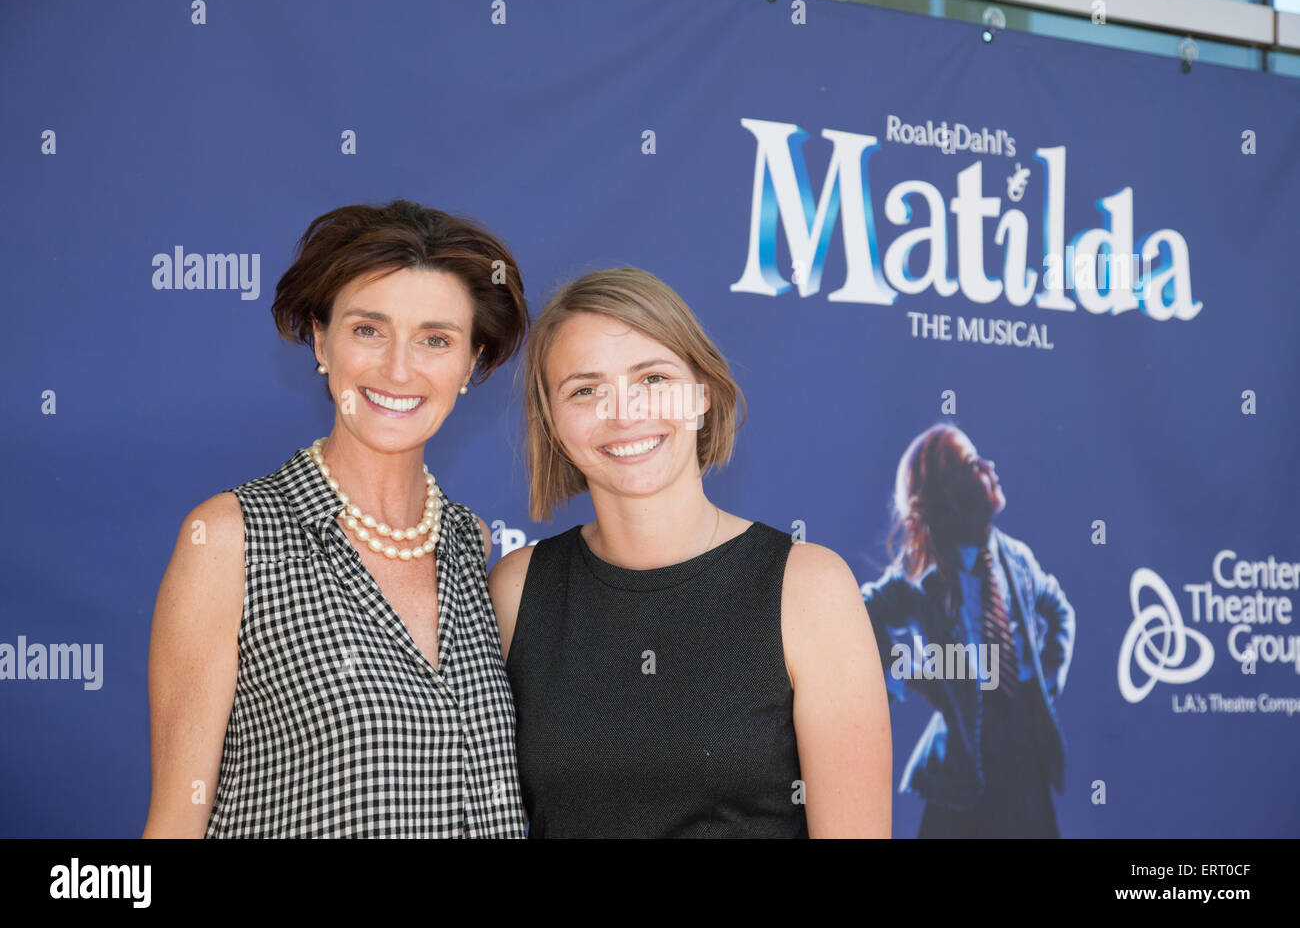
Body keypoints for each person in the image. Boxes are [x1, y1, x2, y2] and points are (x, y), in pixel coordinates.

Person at [143, 200, 530, 838]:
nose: (399, 369)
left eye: (436, 339)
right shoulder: (233, 539)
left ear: (470, 364)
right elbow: (175, 827)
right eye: (368, 330)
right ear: (322, 341)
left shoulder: (470, 545)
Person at [488, 267, 891, 838]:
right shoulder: (517, 589)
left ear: (700, 396)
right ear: (552, 422)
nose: (624, 413)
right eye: (585, 389)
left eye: (652, 378)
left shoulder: (809, 587)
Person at [862, 423, 1075, 837]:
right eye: (974, 464)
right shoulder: (921, 575)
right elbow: (865, 611)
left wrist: (1046, 679)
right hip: (967, 749)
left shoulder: (1017, 559)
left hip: (1025, 743)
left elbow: (1059, 610)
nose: (991, 467)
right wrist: (909, 675)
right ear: (948, 493)